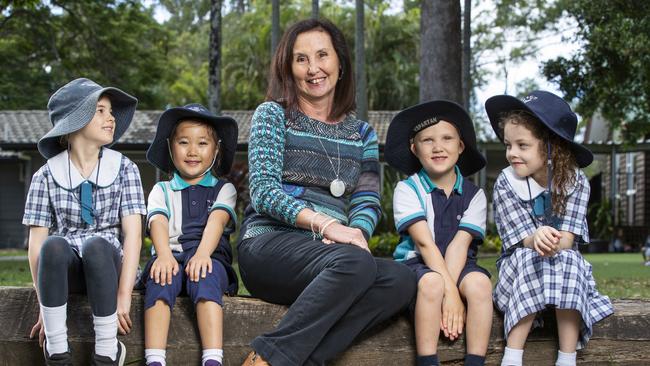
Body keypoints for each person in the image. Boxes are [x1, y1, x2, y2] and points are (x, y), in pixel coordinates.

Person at [237, 18, 416, 366]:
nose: (313, 68)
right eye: (301, 59)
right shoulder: (273, 115)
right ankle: (266, 360)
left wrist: (355, 235)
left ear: (340, 63)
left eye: (322, 55)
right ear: (288, 68)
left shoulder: (361, 133)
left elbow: (366, 199)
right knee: (354, 263)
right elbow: (263, 191)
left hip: (335, 257)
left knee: (401, 279)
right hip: (269, 245)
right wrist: (327, 226)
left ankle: (299, 360)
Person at [485, 91, 614, 366]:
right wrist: (536, 238)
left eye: (522, 145)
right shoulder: (507, 183)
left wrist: (553, 241)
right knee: (526, 257)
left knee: (568, 258)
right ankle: (512, 356)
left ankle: (567, 358)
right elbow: (518, 238)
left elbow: (568, 238)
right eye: (509, 145)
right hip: (519, 265)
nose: (512, 154)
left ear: (551, 146)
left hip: (561, 262)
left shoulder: (576, 182)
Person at [24, 78, 146, 365]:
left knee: (97, 245)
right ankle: (56, 350)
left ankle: (107, 350)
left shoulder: (125, 169)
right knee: (53, 245)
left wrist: (124, 296)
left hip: (108, 268)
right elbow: (36, 247)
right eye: (100, 110)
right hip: (66, 275)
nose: (111, 117)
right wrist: (44, 305)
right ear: (74, 121)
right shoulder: (45, 175)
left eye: (111, 111)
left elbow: (133, 236)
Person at [384, 100, 492, 366]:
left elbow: (459, 245)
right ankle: (427, 360)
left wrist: (453, 293)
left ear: (460, 146)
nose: (438, 146)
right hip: (418, 263)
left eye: (447, 138)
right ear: (414, 148)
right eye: (427, 140)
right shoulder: (408, 190)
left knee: (480, 285)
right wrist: (449, 295)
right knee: (432, 283)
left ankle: (475, 361)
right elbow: (424, 244)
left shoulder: (475, 195)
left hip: (460, 264)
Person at [142, 104, 239, 366]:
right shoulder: (161, 190)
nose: (193, 151)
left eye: (202, 143)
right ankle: (154, 359)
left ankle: (212, 358)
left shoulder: (223, 189)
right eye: (183, 142)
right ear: (171, 148)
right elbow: (158, 223)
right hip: (170, 255)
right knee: (160, 278)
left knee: (206, 276)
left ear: (216, 150)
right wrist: (162, 255)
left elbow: (217, 222)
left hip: (209, 257)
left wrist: (203, 254)